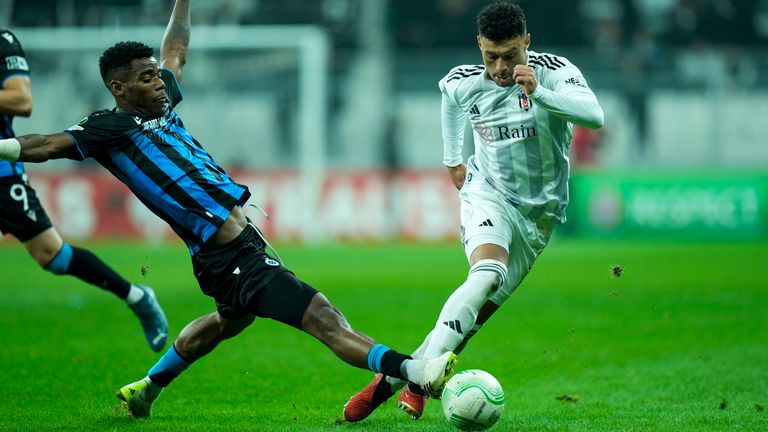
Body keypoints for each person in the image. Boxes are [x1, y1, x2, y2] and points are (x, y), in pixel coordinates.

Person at [0, 0, 457, 419]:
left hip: (237, 245)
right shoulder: (106, 128)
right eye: (145, 78)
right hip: (230, 259)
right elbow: (43, 144)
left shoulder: (161, 101)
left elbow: (175, 48)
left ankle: (148, 388)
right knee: (324, 318)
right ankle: (417, 371)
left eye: (156, 74)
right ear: (118, 88)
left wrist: (183, 1)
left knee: (227, 322)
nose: (158, 81)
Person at [343, 1, 604, 422]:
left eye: (510, 55)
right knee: (486, 274)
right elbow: (449, 101)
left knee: (475, 316)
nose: (501, 67)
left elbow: (594, 115)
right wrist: (452, 158)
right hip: (488, 193)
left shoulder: (554, 71)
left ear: (527, 44)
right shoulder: (465, 82)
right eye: (491, 56)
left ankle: (386, 386)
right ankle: (415, 382)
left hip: (539, 217)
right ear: (479, 45)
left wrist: (539, 92)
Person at [0, 28, 168, 352]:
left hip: (3, 174)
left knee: (53, 255)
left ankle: (136, 295)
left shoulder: (3, 42)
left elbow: (21, 100)